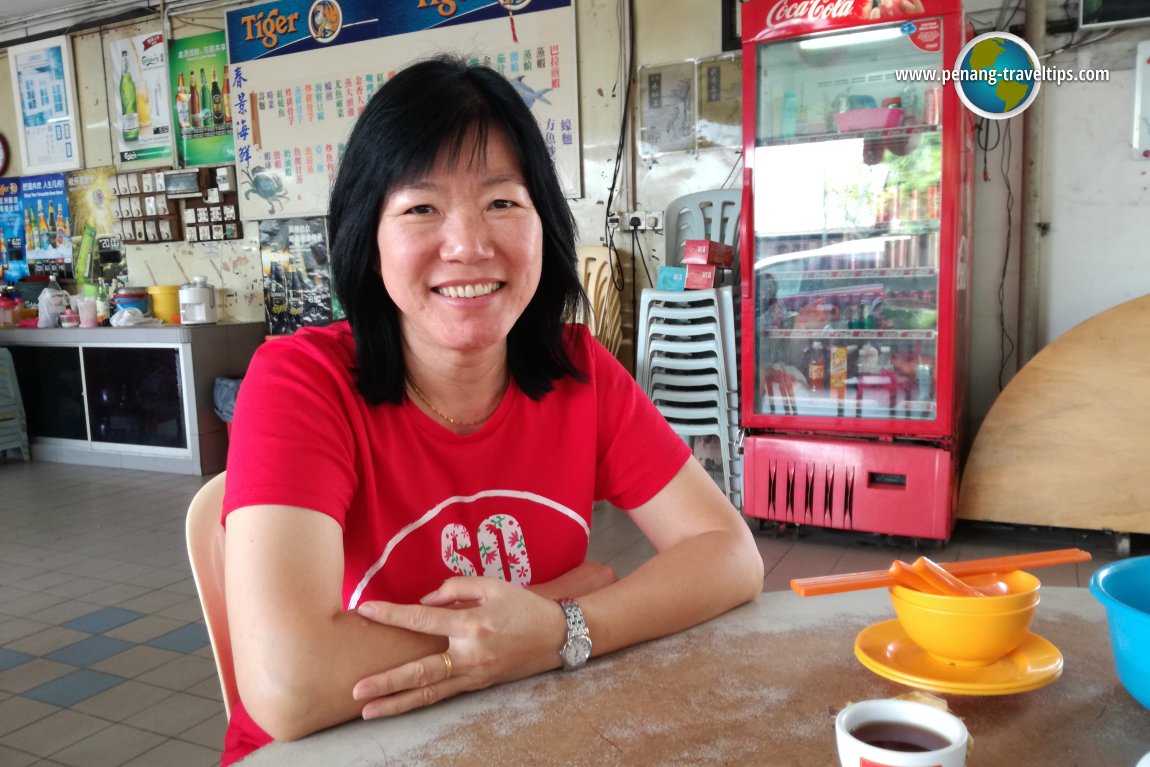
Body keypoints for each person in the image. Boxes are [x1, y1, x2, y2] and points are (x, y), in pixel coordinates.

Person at [221, 54, 764, 766]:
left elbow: (730, 556)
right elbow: (290, 683)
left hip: (522, 735)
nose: (469, 244)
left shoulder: (578, 373)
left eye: (503, 201)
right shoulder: (302, 381)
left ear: (544, 223)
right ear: (368, 234)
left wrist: (563, 624)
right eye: (421, 208)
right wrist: (539, 614)